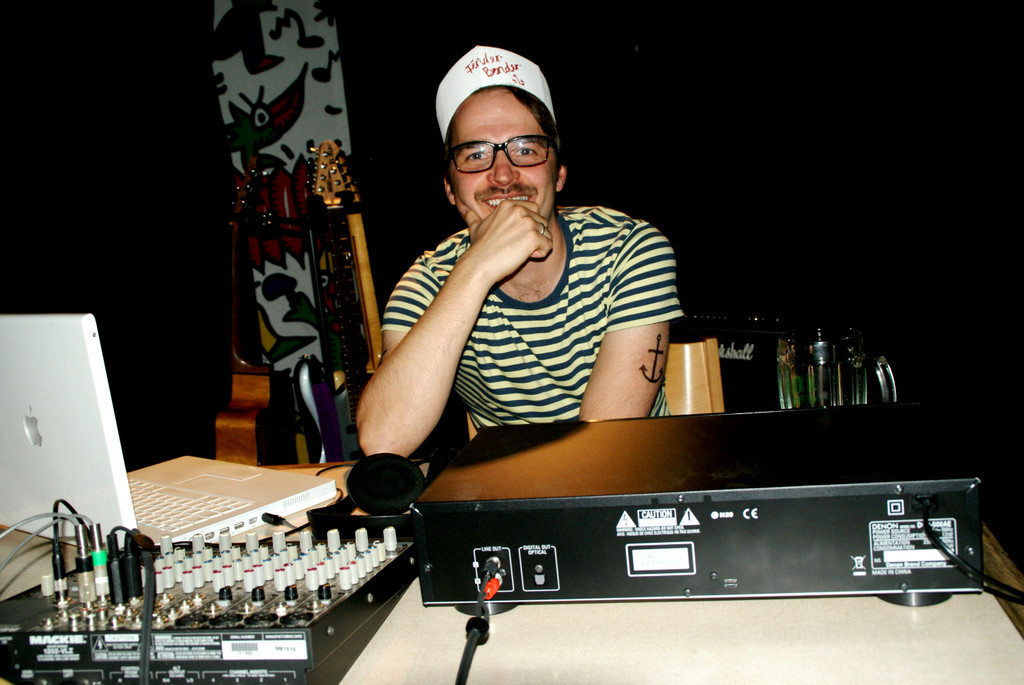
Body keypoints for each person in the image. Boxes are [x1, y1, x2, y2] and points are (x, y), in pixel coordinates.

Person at [356, 46, 683, 457]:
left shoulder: (628, 250)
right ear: (450, 190)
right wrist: (476, 268)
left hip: (630, 485)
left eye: (526, 149)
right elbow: (382, 440)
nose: (503, 174)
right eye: (475, 154)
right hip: (506, 491)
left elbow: (604, 453)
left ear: (558, 174)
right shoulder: (427, 283)